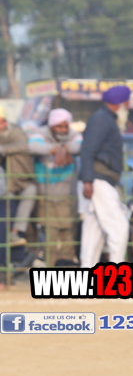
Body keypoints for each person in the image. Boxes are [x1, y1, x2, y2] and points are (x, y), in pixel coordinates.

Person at [79, 86, 131, 266]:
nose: (128, 107)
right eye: (127, 103)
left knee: (93, 233)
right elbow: (87, 150)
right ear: (120, 103)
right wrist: (87, 181)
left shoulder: (105, 119)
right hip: (98, 180)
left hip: (98, 180)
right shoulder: (101, 119)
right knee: (119, 228)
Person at [27, 108, 82, 266]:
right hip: (47, 196)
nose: (63, 130)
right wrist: (55, 150)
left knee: (68, 235)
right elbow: (32, 146)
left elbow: (80, 146)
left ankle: (67, 271)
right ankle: (51, 271)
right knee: (50, 236)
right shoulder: (41, 134)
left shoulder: (73, 135)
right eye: (59, 126)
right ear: (51, 126)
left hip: (68, 197)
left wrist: (66, 149)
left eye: (65, 126)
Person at [0, 111, 36, 249]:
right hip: (4, 184)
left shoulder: (15, 131)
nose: (3, 125)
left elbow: (24, 146)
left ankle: (15, 232)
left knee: (31, 191)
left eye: (3, 121)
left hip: (20, 179)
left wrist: (3, 149)